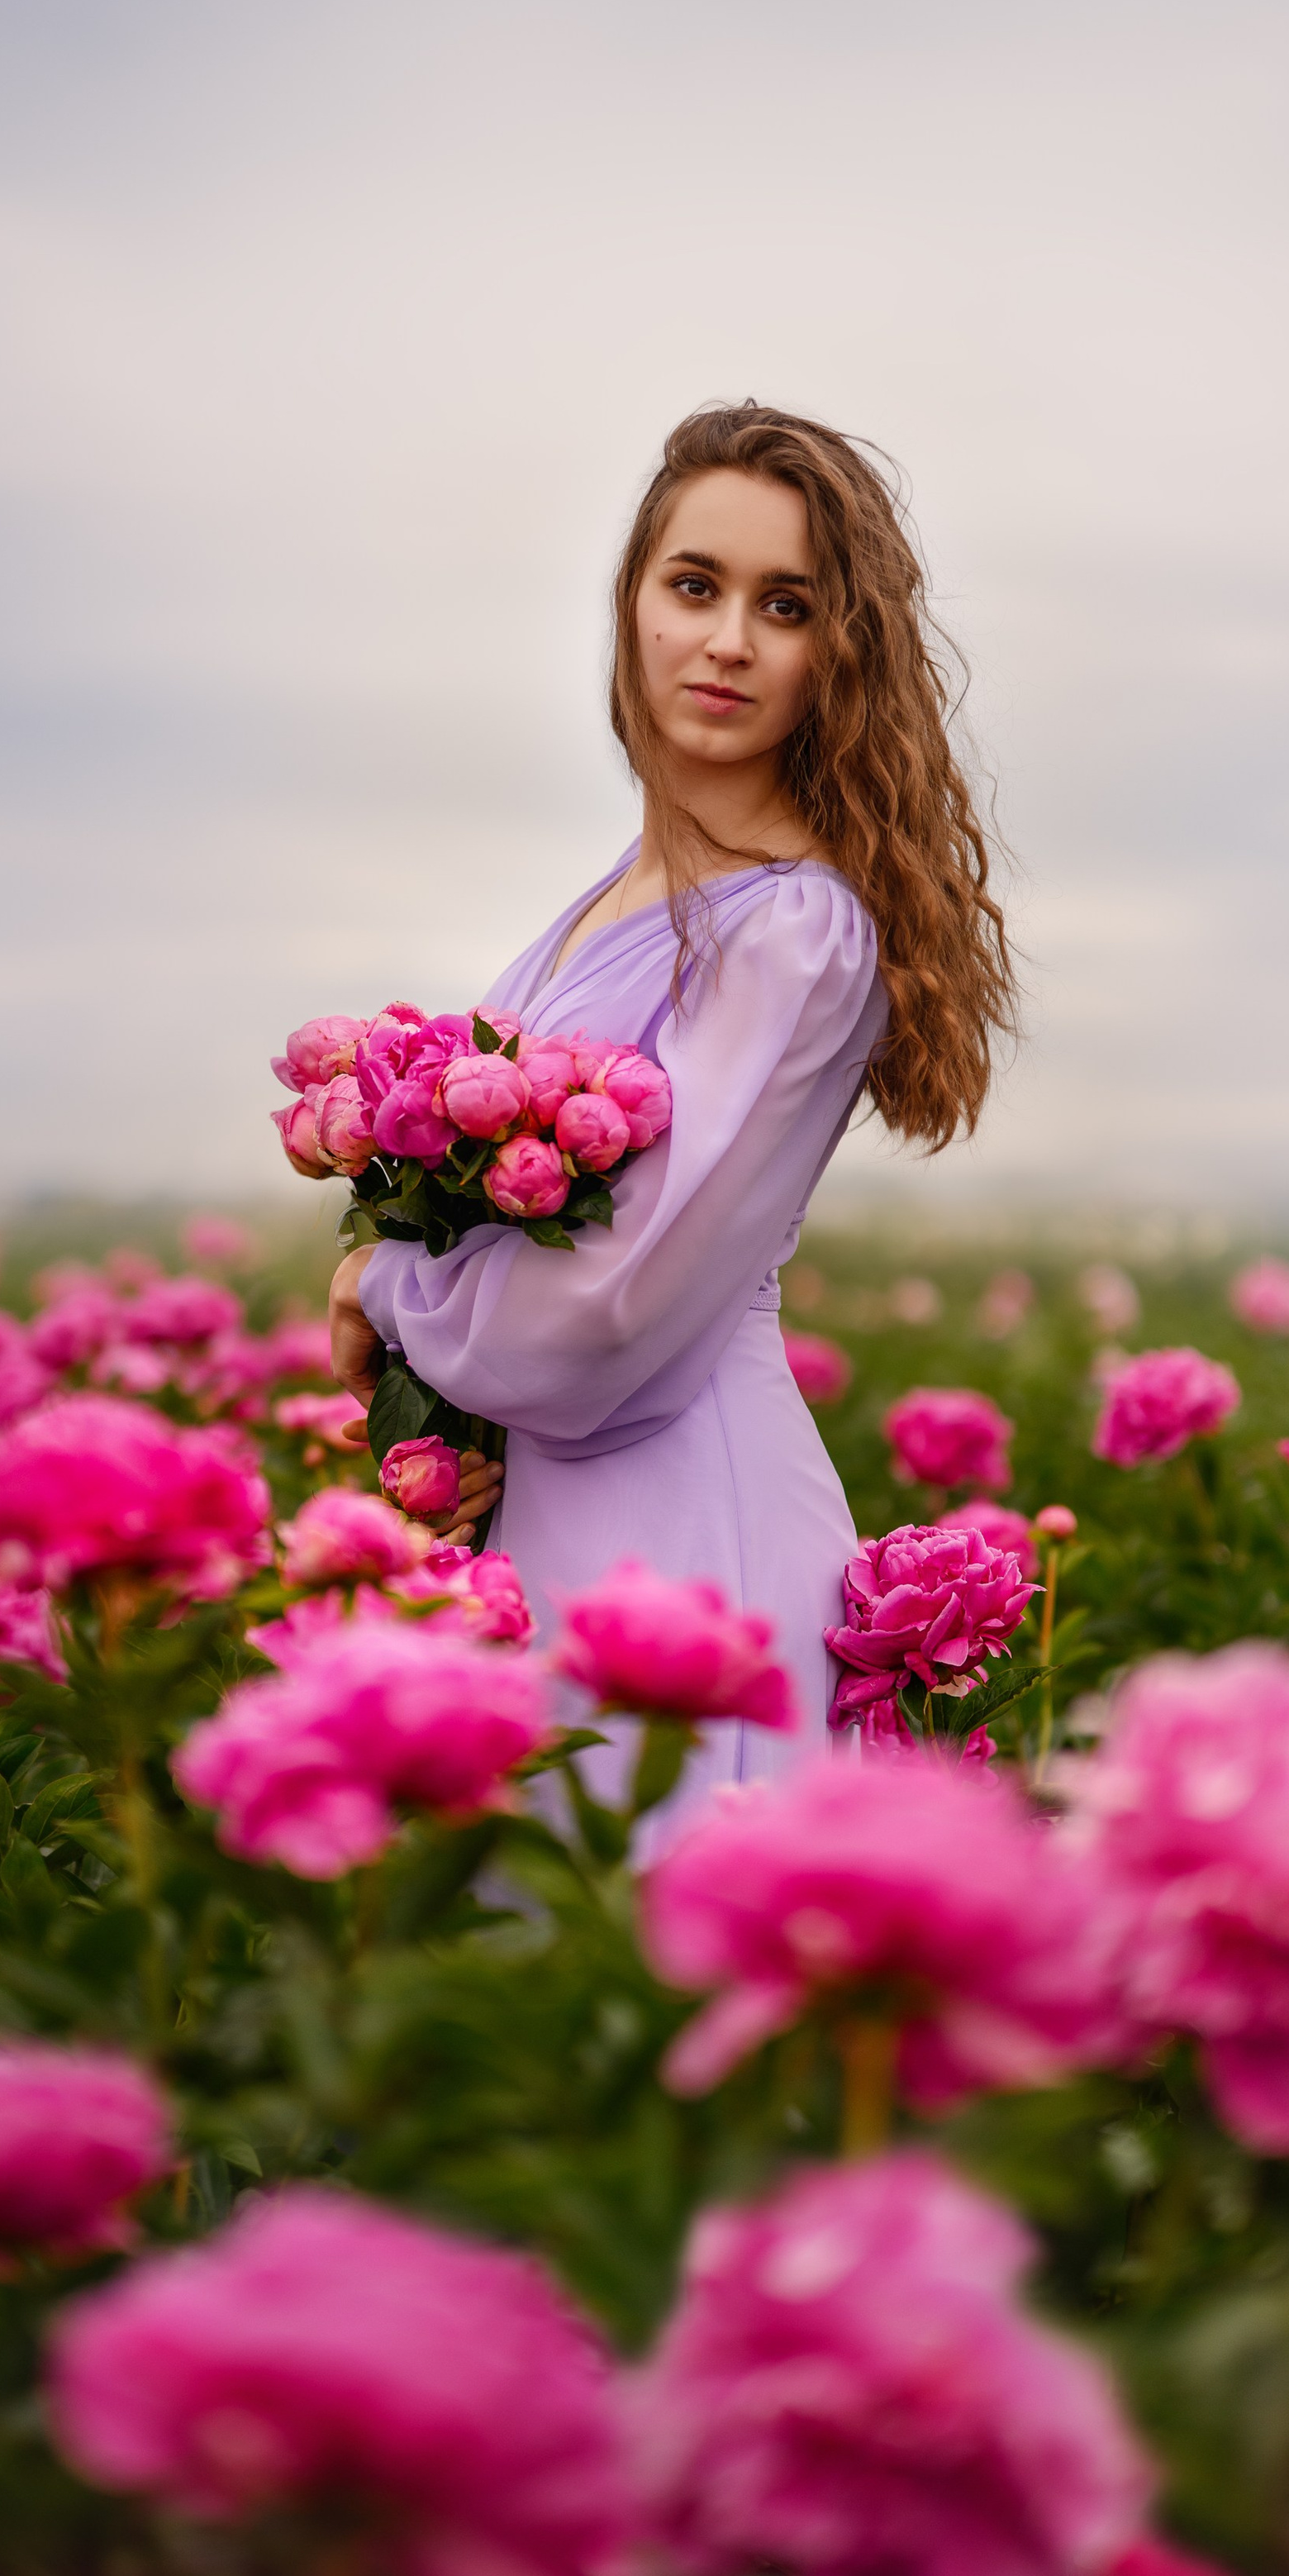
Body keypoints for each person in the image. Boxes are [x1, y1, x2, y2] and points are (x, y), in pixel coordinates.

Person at [329, 400, 1015, 1797]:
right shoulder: (619, 894)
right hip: (550, 1518)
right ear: (632, 602)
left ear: (842, 653)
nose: (729, 641)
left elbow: (611, 1309)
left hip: (686, 1530)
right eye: (695, 586)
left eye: (788, 606)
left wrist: (381, 1289)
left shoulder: (795, 934)